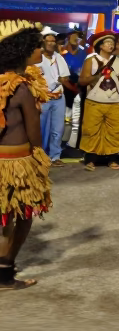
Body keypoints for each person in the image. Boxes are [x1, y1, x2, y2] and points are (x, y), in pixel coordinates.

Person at [0, 21, 50, 290]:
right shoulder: (21, 88)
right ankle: (4, 273)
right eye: (36, 46)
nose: (40, 50)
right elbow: (34, 134)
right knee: (20, 216)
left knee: (4, 216)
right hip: (16, 163)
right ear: (22, 51)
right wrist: (40, 159)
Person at [78, 32, 119, 171]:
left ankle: (112, 159)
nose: (111, 45)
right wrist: (97, 76)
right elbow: (82, 80)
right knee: (92, 130)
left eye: (112, 43)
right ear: (100, 46)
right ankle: (91, 159)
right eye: (107, 43)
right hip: (94, 100)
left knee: (114, 131)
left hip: (114, 101)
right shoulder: (91, 60)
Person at [36, 29, 70, 167]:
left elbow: (65, 76)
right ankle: (41, 156)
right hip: (42, 96)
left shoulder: (58, 57)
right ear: (42, 41)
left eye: (53, 41)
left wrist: (62, 79)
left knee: (58, 127)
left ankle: (55, 156)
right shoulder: (37, 57)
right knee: (41, 127)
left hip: (58, 96)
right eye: (48, 40)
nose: (51, 43)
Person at [60, 29, 87, 148]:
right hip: (66, 88)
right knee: (65, 117)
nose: (76, 40)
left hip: (80, 87)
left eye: (79, 38)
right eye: (74, 37)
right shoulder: (62, 52)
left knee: (79, 117)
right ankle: (62, 143)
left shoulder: (84, 53)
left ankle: (76, 144)